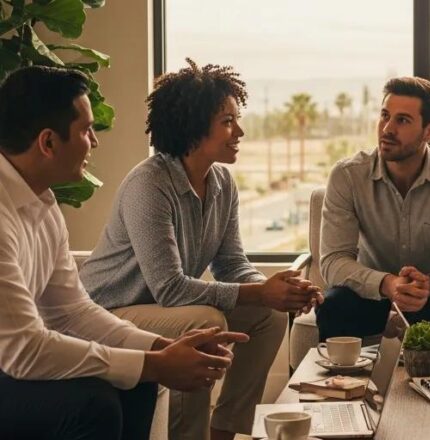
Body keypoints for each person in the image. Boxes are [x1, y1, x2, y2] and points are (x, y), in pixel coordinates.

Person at [0, 65, 248, 440]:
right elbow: (23, 349)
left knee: (137, 382)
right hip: (9, 365)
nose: (94, 142)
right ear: (48, 143)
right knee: (95, 403)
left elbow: (72, 311)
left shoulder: (43, 206)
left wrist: (161, 349)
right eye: (86, 130)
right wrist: (152, 363)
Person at [79, 59, 320, 440]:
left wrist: (276, 290)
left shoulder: (222, 182)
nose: (239, 131)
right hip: (109, 311)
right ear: (193, 126)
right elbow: (170, 289)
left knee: (269, 314)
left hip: (162, 309)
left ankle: (224, 432)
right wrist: (260, 291)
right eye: (228, 121)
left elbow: (231, 263)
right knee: (204, 321)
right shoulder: (149, 185)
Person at [317, 77, 430, 348]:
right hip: (371, 297)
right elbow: (333, 260)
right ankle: (343, 378)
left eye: (402, 120)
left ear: (429, 131)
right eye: (384, 116)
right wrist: (387, 284)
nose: (387, 128)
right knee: (334, 305)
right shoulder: (347, 175)